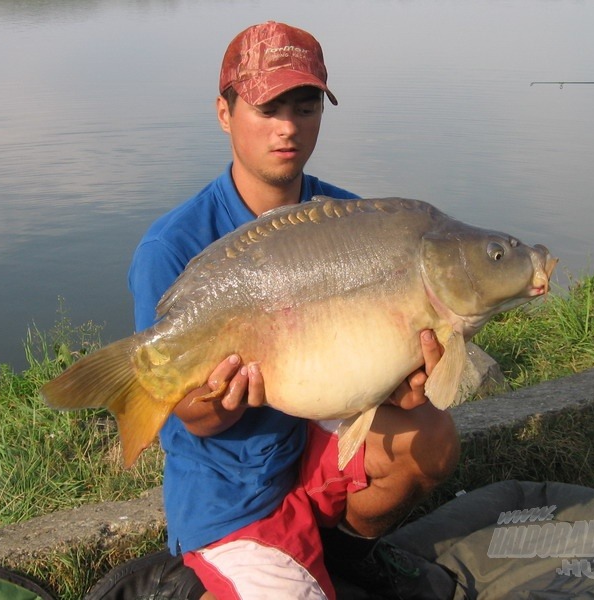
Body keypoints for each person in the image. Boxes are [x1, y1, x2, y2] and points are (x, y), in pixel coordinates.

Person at [128, 21, 460, 600]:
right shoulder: (173, 246)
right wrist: (218, 405)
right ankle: (199, 578)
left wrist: (402, 384)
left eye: (304, 107)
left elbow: (376, 379)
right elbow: (191, 417)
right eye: (266, 108)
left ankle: (344, 555)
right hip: (234, 492)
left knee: (429, 436)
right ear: (224, 112)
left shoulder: (355, 221)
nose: (287, 128)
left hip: (315, 443)